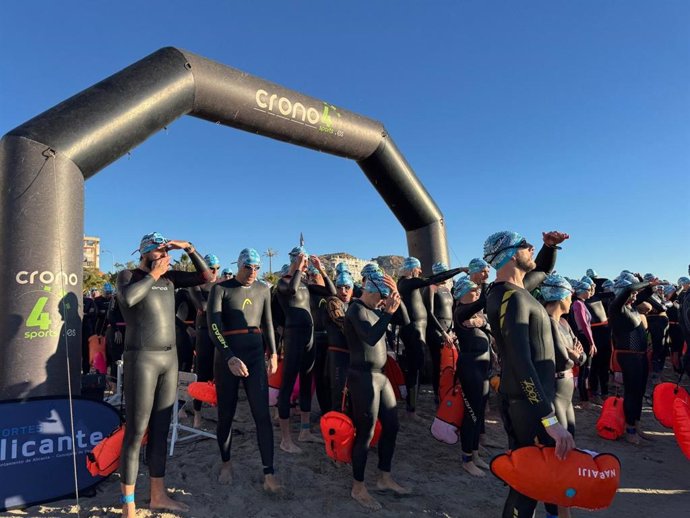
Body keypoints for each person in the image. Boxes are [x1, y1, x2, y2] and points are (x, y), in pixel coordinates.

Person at [116, 232, 213, 517]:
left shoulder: (171, 278)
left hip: (169, 360)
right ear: (145, 254)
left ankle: (158, 495)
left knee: (160, 430)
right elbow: (128, 300)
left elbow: (206, 277)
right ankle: (128, 506)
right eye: (159, 252)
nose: (164, 257)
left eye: (165, 252)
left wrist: (189, 248)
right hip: (141, 359)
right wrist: (153, 275)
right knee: (135, 432)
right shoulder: (128, 275)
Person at [484, 230, 574, 518]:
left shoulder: (518, 292)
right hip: (527, 404)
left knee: (536, 481)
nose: (531, 248)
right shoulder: (511, 298)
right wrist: (549, 419)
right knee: (527, 486)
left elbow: (544, 269)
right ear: (510, 254)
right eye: (525, 246)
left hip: (530, 401)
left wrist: (550, 247)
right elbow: (521, 362)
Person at [206, 248, 281, 492]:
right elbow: (213, 326)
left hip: (255, 356)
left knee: (262, 415)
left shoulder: (263, 289)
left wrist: (274, 353)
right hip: (228, 357)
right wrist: (229, 356)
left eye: (256, 268)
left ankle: (269, 473)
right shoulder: (221, 288)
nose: (252, 272)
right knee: (226, 415)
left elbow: (268, 322)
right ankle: (226, 463)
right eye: (248, 267)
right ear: (239, 266)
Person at [344, 271, 410, 510]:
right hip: (362, 377)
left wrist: (397, 298)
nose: (383, 302)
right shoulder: (356, 310)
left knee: (392, 426)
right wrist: (388, 312)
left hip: (380, 377)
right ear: (369, 290)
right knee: (366, 433)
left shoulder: (376, 309)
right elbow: (371, 337)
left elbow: (405, 322)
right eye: (381, 297)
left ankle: (384, 477)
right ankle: (358, 487)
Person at [275, 246, 335, 452]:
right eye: (303, 261)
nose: (306, 265)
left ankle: (305, 430)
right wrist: (298, 267)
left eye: (307, 262)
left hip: (309, 338)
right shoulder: (282, 283)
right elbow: (291, 289)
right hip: (293, 337)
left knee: (308, 379)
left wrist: (321, 269)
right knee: (288, 383)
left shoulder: (308, 285)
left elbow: (332, 292)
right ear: (294, 260)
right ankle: (285, 439)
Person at [397, 257, 462, 419]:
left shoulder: (409, 284)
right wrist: (459, 269)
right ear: (411, 269)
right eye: (418, 269)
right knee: (415, 368)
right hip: (413, 330)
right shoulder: (406, 283)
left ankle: (411, 406)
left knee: (416, 367)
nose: (419, 272)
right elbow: (434, 279)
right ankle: (411, 409)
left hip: (417, 329)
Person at [609, 275, 663, 444]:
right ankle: (629, 429)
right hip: (628, 357)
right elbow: (628, 290)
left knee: (639, 392)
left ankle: (636, 425)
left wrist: (651, 287)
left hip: (640, 357)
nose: (634, 297)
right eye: (633, 294)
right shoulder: (616, 308)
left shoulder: (631, 306)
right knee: (632, 393)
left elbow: (642, 295)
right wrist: (647, 282)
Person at [452, 276, 491, 477]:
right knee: (471, 415)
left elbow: (487, 318)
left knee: (480, 412)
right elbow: (484, 300)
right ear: (460, 295)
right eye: (472, 290)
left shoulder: (475, 315)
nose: (475, 292)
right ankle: (467, 459)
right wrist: (484, 282)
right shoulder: (460, 312)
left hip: (483, 369)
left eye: (477, 290)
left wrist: (481, 320)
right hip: (471, 369)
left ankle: (475, 453)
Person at [542, 274, 586, 436]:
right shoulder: (547, 322)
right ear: (561, 298)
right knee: (557, 438)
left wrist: (576, 356)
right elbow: (562, 361)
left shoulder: (564, 322)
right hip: (553, 389)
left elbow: (582, 356)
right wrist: (574, 356)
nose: (571, 302)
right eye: (569, 297)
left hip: (567, 391)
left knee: (570, 434)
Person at [189, 254, 221, 428]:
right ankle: (197, 413)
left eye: (217, 268)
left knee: (220, 372)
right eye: (211, 268)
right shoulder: (196, 285)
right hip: (203, 332)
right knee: (202, 372)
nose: (215, 272)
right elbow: (202, 307)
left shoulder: (221, 285)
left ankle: (219, 408)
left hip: (219, 331)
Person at [423, 262, 456, 402]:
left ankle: (449, 390)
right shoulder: (431, 288)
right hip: (437, 332)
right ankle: (438, 394)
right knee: (438, 364)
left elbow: (452, 311)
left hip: (450, 331)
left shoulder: (447, 289)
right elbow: (430, 313)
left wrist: (453, 329)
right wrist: (443, 332)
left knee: (451, 363)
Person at [323, 270, 355, 410]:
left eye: (347, 287)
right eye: (340, 287)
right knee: (338, 392)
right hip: (338, 354)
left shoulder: (354, 304)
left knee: (351, 391)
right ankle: (336, 424)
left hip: (351, 354)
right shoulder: (333, 301)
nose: (343, 291)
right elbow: (343, 324)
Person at [569, 279, 597, 407]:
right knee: (585, 369)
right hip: (584, 338)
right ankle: (584, 399)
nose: (591, 292)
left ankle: (585, 396)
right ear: (583, 291)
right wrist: (591, 342)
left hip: (584, 337)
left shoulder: (581, 303)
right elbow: (584, 325)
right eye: (589, 289)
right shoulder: (578, 304)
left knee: (587, 369)